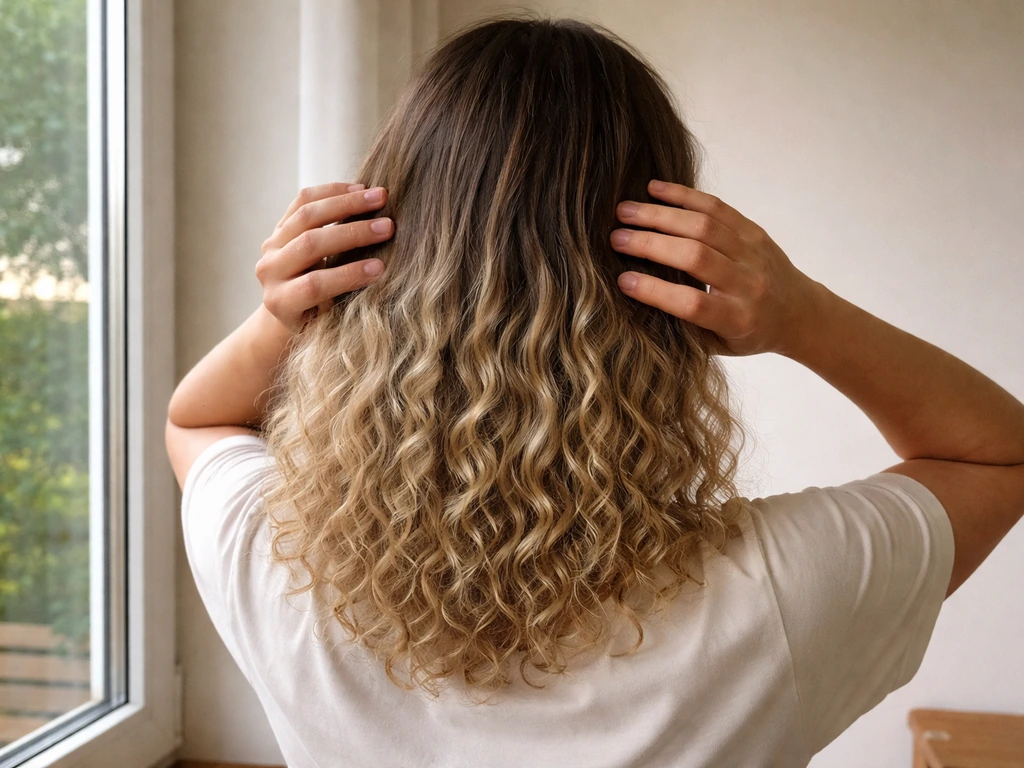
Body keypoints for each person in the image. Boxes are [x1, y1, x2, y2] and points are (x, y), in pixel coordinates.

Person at [164, 15, 1024, 768]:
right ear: (658, 303)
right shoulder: (777, 595)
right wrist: (800, 314)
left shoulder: (278, 569)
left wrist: (287, 313)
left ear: (373, 278)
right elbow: (997, 452)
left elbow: (196, 417)